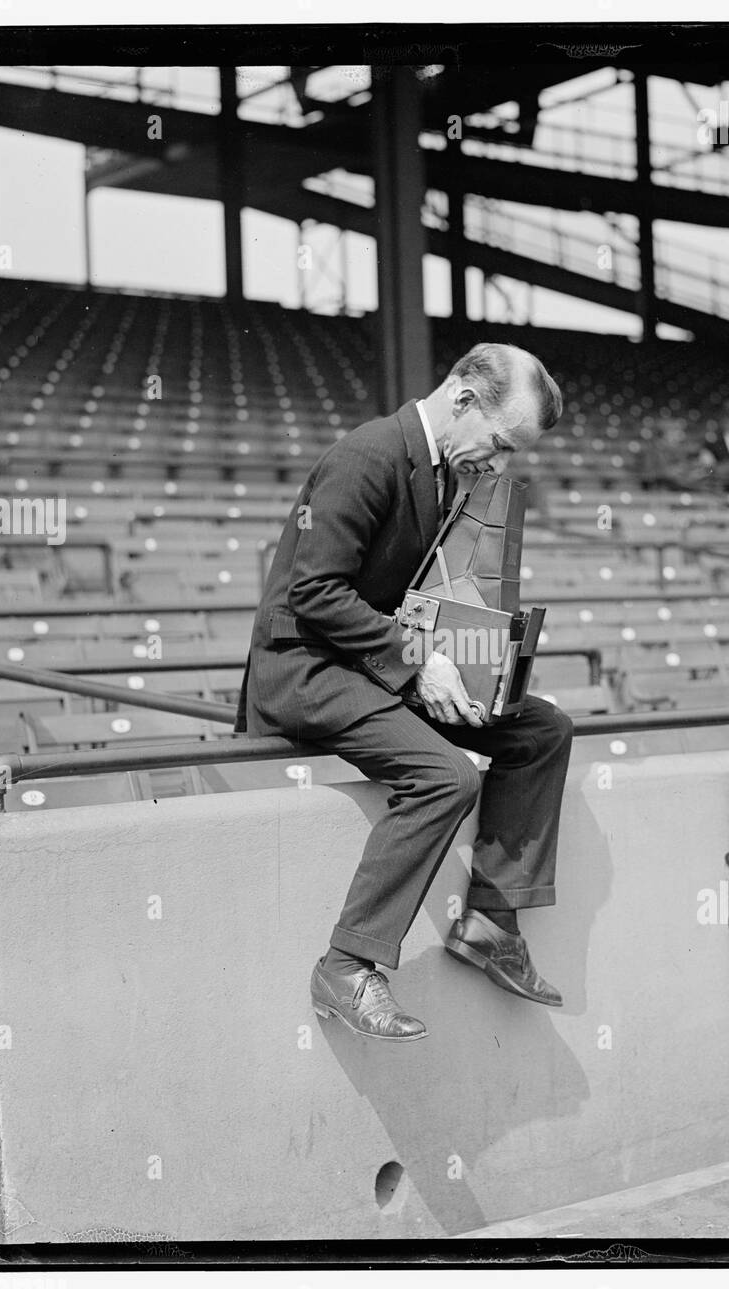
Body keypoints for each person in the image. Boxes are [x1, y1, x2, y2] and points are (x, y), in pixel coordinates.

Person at [235, 344, 574, 1042]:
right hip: (304, 666)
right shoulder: (366, 456)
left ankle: (491, 922)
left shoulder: (450, 464)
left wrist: (474, 659)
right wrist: (419, 662)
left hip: (365, 660)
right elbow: (315, 593)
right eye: (503, 444)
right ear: (461, 400)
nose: (503, 465)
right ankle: (347, 964)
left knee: (540, 730)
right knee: (445, 777)